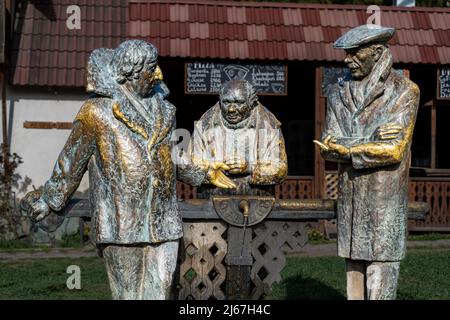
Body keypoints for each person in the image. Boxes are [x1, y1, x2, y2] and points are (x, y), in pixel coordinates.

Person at [21, 40, 182, 299]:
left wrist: (208, 172)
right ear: (130, 73)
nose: (159, 73)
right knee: (128, 295)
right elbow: (71, 161)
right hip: (121, 225)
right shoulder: (96, 112)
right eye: (152, 67)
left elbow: (175, 159)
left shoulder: (166, 110)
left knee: (159, 293)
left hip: (164, 223)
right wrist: (50, 200)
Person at [314, 25, 420, 300]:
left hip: (385, 201)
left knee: (382, 269)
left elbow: (394, 150)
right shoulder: (338, 93)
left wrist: (347, 148)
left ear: (377, 52)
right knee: (353, 270)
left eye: (354, 53)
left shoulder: (404, 91)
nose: (347, 60)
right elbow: (327, 145)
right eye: (346, 53)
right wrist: (370, 139)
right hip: (351, 198)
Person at [178, 79, 287, 196]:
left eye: (239, 103)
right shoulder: (205, 124)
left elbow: (280, 170)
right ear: (220, 101)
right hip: (210, 203)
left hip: (257, 204)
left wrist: (249, 167)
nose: (231, 109)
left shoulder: (267, 124)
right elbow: (186, 167)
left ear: (251, 103)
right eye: (226, 102)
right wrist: (211, 168)